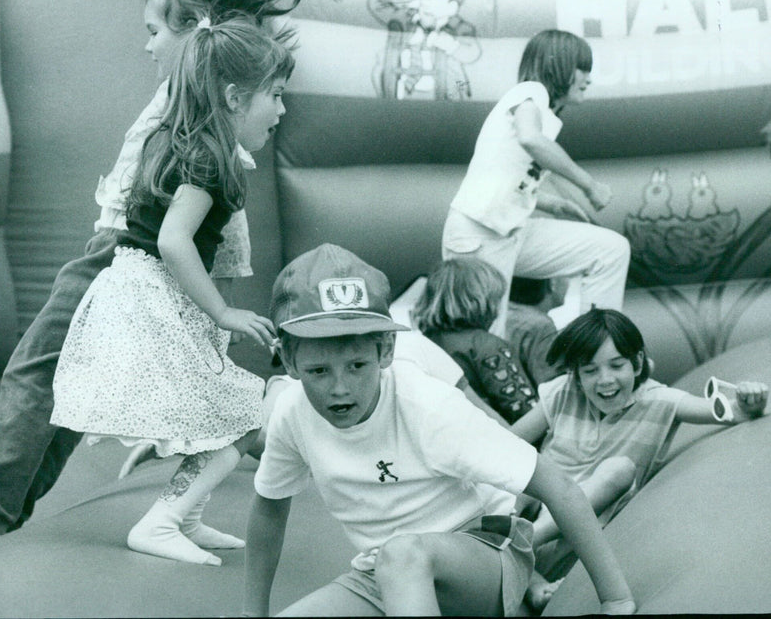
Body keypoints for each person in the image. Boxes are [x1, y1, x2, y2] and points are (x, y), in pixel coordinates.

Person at [0, 0, 333, 537]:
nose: (149, 45)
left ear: (193, 27)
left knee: (38, 373)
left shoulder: (193, 106)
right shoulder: (207, 117)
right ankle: (8, 505)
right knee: (75, 389)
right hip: (150, 264)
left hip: (121, 253)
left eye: (154, 31)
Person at [242, 243, 636, 616]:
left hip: (487, 553)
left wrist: (616, 599)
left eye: (357, 366)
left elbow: (556, 484)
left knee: (402, 555)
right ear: (289, 361)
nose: (340, 388)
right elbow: (270, 506)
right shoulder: (292, 412)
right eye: (318, 371)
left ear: (385, 351)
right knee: (393, 561)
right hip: (382, 572)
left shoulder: (426, 406)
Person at [49, 19, 295, 566]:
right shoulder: (209, 158)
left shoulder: (180, 140)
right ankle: (161, 521)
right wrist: (224, 310)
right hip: (149, 298)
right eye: (275, 96)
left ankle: (185, 515)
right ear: (234, 97)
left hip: (140, 292)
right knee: (243, 417)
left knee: (219, 419)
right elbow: (174, 239)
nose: (281, 111)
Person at [510, 307, 769, 583]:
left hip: (573, 537)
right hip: (529, 516)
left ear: (637, 363)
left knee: (619, 469)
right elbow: (510, 442)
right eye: (590, 370)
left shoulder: (659, 400)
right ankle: (531, 577)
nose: (605, 380)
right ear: (576, 373)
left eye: (617, 365)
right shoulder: (564, 392)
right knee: (524, 462)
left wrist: (749, 400)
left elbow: (727, 412)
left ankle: (527, 545)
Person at [442, 29, 630, 338]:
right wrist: (588, 185)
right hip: (477, 234)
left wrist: (553, 203)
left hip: (512, 231)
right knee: (487, 340)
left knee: (610, 250)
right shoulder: (529, 92)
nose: (588, 78)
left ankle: (596, 349)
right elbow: (530, 138)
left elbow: (505, 176)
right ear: (558, 67)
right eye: (582, 68)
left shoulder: (545, 114)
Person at [412, 258, 539, 425]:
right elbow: (522, 408)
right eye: (497, 299)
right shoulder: (488, 346)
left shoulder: (423, 343)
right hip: (492, 441)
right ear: (480, 300)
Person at [506, 276, 567, 388]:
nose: (568, 284)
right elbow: (551, 384)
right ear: (552, 283)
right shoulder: (541, 326)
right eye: (566, 277)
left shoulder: (504, 313)